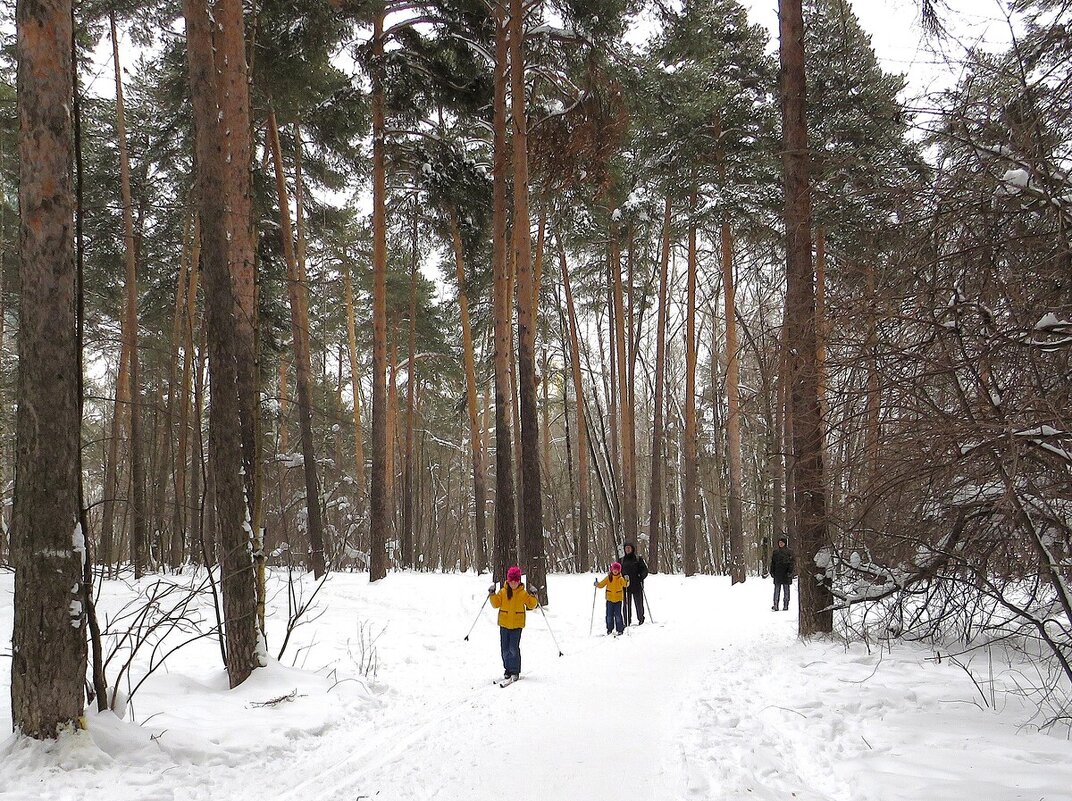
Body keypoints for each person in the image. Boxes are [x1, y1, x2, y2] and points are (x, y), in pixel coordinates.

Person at [488, 565, 539, 680]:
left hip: (517, 625)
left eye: (516, 581)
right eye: (511, 581)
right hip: (504, 624)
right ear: (508, 580)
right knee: (505, 649)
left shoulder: (523, 593)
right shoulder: (503, 592)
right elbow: (495, 604)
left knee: (513, 648)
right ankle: (507, 669)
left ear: (519, 581)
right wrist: (492, 594)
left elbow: (531, 604)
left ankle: (515, 670)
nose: (513, 583)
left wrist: (534, 595)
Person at [596, 562, 630, 635]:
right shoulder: (608, 578)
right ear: (612, 570)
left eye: (617, 570)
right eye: (614, 569)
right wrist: (597, 584)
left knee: (618, 615)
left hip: (618, 600)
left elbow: (625, 585)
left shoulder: (620, 578)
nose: (615, 571)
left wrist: (627, 580)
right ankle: (609, 629)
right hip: (609, 600)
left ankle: (620, 629)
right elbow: (602, 584)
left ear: (619, 570)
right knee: (609, 615)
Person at [619, 542, 649, 625]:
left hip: (637, 584)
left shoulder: (638, 559)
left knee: (639, 603)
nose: (628, 549)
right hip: (625, 585)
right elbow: (617, 572)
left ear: (632, 549)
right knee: (626, 604)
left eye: (629, 548)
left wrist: (641, 576)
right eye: (626, 548)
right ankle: (627, 620)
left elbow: (645, 570)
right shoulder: (621, 560)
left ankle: (641, 618)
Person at [769, 537, 795, 611]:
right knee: (777, 590)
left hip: (786, 573)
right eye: (779, 542)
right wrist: (772, 571)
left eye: (782, 543)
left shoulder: (789, 552)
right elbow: (773, 563)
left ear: (785, 543)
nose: (780, 544)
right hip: (777, 574)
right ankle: (775, 605)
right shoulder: (775, 552)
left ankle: (786, 605)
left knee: (786, 590)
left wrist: (790, 572)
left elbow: (792, 563)